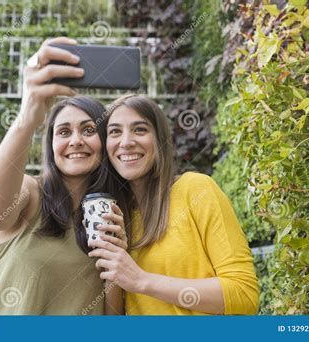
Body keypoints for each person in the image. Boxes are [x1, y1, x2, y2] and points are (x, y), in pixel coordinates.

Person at [0, 38, 127, 315]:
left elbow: (111, 319)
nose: (75, 140)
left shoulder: (110, 216)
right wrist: (28, 115)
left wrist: (116, 263)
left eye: (88, 130)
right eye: (63, 132)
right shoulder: (29, 194)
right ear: (51, 145)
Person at [88, 94, 260, 315]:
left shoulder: (196, 189)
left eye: (140, 129)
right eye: (115, 132)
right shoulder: (117, 216)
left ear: (159, 139)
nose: (126, 142)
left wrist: (142, 280)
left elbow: (244, 294)